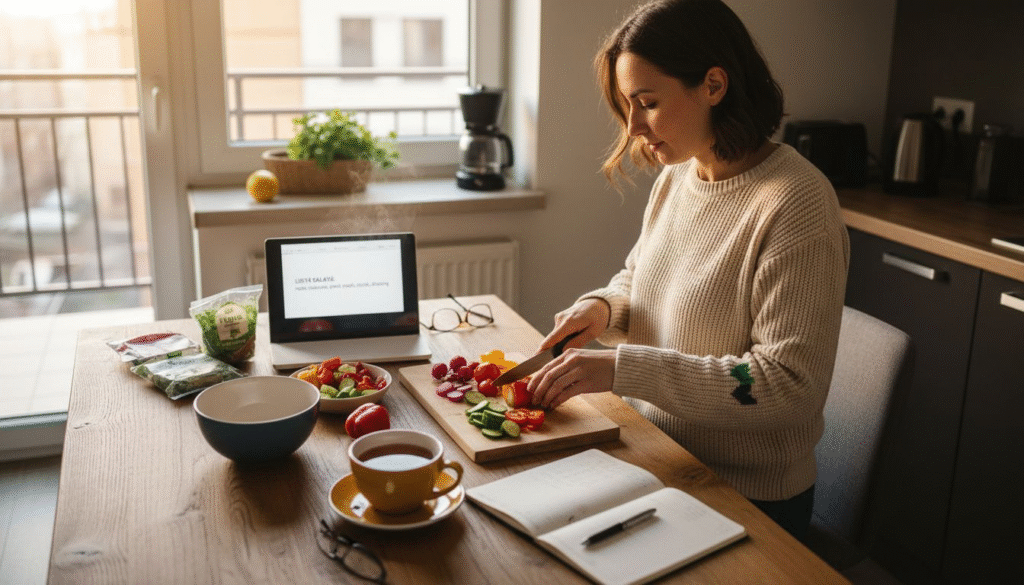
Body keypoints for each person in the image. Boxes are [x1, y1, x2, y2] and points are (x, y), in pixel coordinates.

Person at [526, 0, 849, 541]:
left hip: (745, 496)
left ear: (714, 85)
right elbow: (642, 278)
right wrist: (603, 308)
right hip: (659, 456)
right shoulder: (682, 175)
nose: (633, 127)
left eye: (647, 103)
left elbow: (783, 385)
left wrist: (621, 369)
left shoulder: (796, 204)